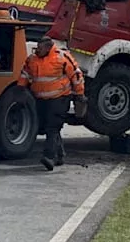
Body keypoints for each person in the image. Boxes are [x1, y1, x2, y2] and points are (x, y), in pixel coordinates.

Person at [18, 37, 85, 170]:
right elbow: (25, 74)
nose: (37, 50)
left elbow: (76, 76)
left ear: (48, 48)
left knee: (52, 127)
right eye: (37, 47)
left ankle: (49, 157)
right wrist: (20, 90)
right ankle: (60, 154)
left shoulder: (62, 57)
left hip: (60, 98)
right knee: (46, 127)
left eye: (40, 48)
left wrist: (79, 94)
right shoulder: (32, 59)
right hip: (41, 100)